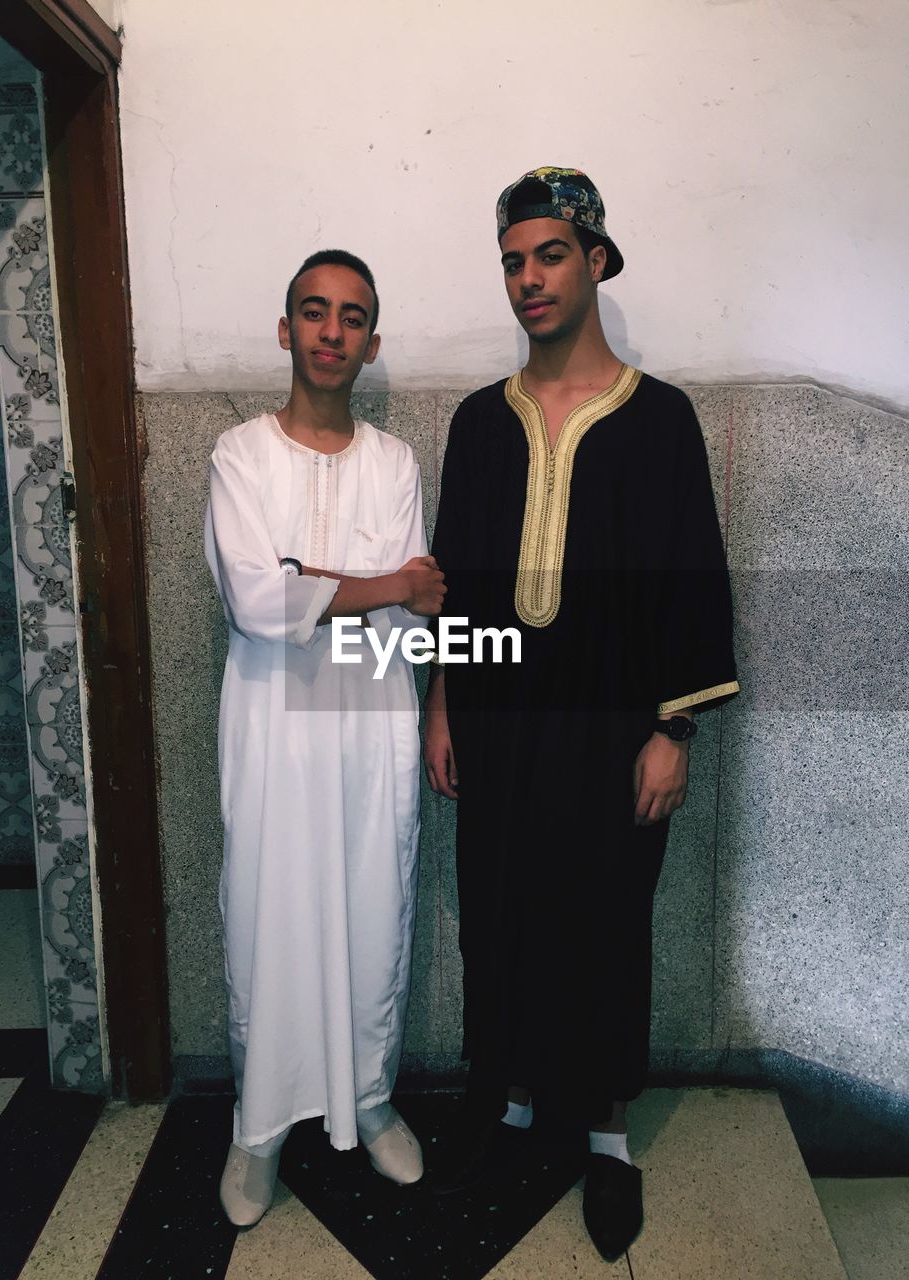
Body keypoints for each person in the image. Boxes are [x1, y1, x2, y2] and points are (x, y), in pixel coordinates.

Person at [424, 168, 738, 1260]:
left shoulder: (659, 422)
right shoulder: (478, 421)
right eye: (512, 260)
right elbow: (457, 578)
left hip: (613, 729)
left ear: (596, 258)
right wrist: (442, 702)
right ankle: (509, 1107)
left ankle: (604, 1131)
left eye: (548, 254)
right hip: (501, 721)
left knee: (603, 917)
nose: (528, 279)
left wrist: (674, 728)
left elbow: (690, 579)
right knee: (500, 904)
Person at [205, 249, 445, 1227]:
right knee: (268, 912)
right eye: (314, 312)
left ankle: (370, 1096)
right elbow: (260, 599)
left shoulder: (394, 464)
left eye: (352, 317)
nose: (331, 332)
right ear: (286, 327)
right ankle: (257, 1126)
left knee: (371, 908)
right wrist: (383, 582)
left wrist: (319, 581)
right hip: (271, 737)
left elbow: (412, 626)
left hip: (371, 731)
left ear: (372, 340)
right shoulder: (238, 456)